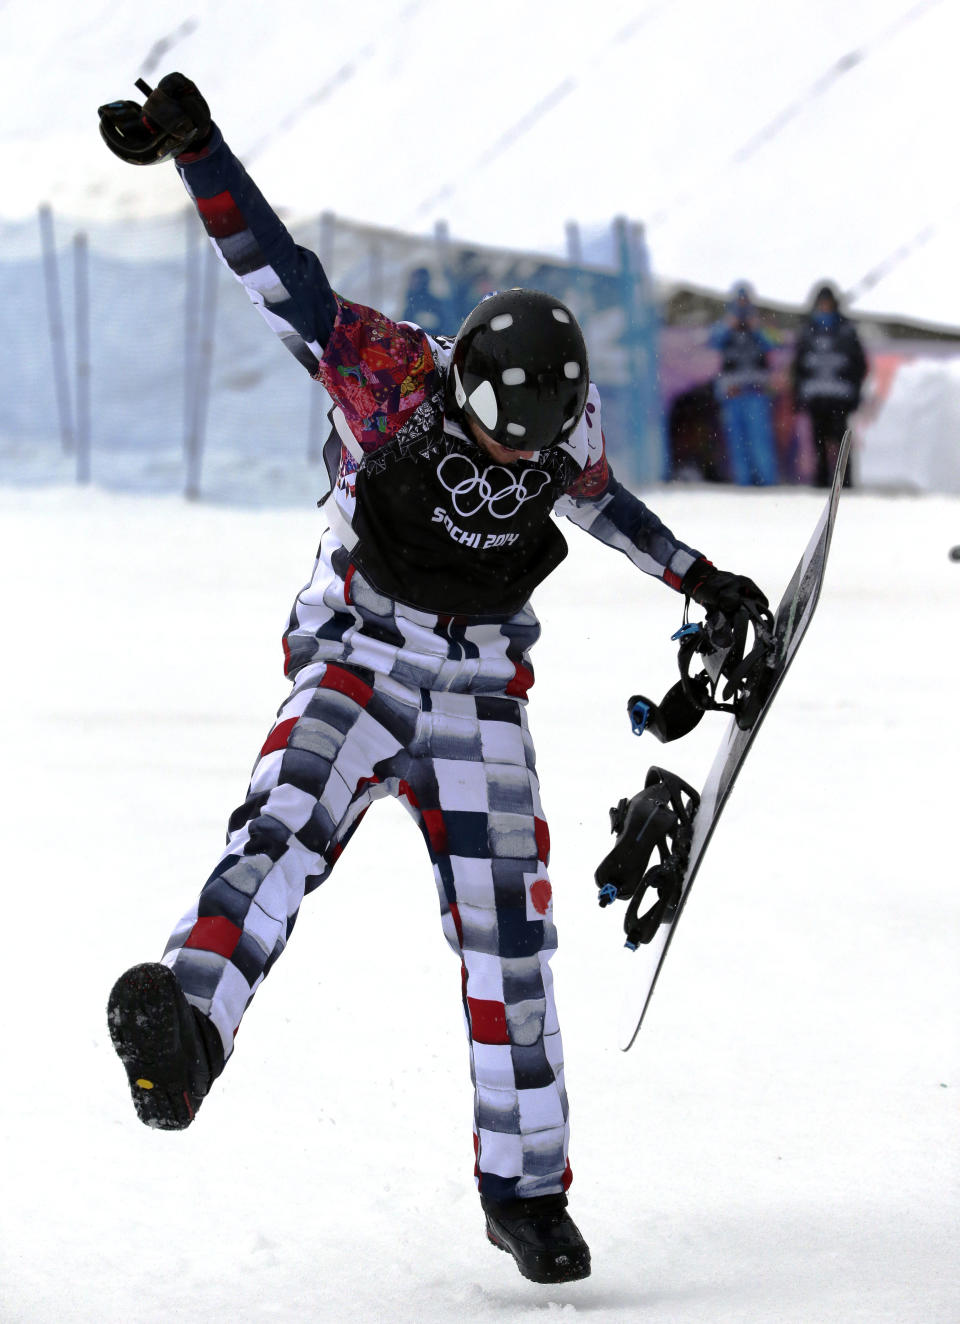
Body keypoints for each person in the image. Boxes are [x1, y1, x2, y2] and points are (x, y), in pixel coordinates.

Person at [97, 74, 769, 1286]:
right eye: (502, 436)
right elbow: (275, 271)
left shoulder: (560, 432)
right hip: (356, 657)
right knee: (281, 829)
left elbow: (603, 505)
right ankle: (188, 1029)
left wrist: (702, 579)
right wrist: (198, 151)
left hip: (476, 692)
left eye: (537, 441)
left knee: (511, 933)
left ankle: (526, 1189)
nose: (521, 457)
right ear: (465, 389)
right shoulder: (388, 372)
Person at [791, 284, 867, 488]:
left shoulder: (846, 331)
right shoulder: (808, 331)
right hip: (816, 398)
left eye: (828, 304)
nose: (825, 308)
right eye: (821, 304)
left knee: (841, 442)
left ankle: (845, 481)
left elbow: (858, 366)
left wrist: (854, 394)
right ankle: (821, 480)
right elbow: (798, 367)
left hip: (839, 398)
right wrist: (799, 396)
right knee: (818, 441)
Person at [709, 283, 779, 486]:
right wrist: (727, 325)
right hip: (732, 394)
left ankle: (767, 482)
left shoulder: (759, 325)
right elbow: (713, 341)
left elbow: (775, 341)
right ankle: (744, 482)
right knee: (737, 444)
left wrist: (757, 328)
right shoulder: (724, 326)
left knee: (760, 442)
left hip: (756, 393)